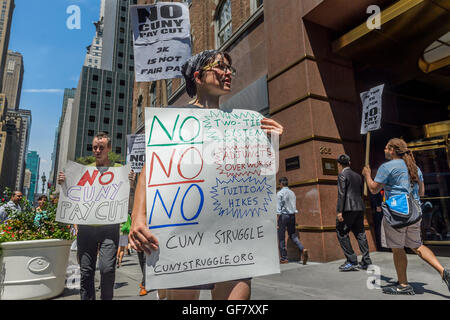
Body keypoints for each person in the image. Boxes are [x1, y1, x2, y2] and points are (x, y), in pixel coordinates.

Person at [128, 50, 283, 300]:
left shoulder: (242, 124)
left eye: (230, 69)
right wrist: (138, 216)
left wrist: (271, 144)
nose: (228, 73)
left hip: (234, 236)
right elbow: (151, 170)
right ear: (198, 77)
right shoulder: (172, 123)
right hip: (183, 241)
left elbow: (258, 176)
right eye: (220, 67)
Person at [362, 138, 450, 295]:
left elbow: (374, 189)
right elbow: (421, 193)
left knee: (398, 249)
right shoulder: (415, 168)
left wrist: (367, 175)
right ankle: (444, 272)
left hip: (396, 214)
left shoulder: (387, 167)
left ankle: (403, 285)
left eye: (386, 148)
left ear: (392, 150)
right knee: (417, 245)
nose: (384, 151)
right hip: (415, 214)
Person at [58, 132, 135, 300]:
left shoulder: (119, 170)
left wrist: (131, 183)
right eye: (94, 148)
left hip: (110, 228)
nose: (97, 150)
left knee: (107, 269)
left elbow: (126, 201)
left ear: (109, 148)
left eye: (101, 147)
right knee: (86, 272)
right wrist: (64, 182)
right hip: (86, 229)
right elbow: (72, 194)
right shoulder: (83, 170)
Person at [336, 154, 372, 271]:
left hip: (348, 208)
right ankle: (366, 261)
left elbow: (342, 193)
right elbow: (360, 192)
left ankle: (351, 261)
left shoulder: (342, 174)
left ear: (339, 164)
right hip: (359, 207)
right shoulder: (357, 176)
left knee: (341, 232)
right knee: (360, 233)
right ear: (349, 162)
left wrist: (339, 211)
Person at [277, 177, 308, 265]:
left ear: (281, 184)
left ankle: (284, 258)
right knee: (293, 235)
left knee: (281, 236)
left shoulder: (280, 193)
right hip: (292, 216)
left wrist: (277, 219)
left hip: (283, 216)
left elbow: (278, 208)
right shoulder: (292, 193)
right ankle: (302, 249)